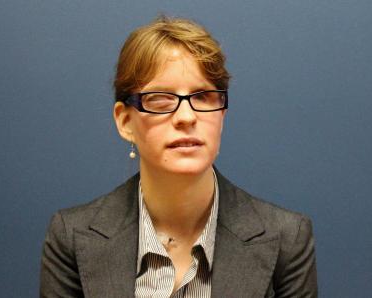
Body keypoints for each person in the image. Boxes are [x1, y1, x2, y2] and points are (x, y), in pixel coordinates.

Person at [40, 16, 317, 297]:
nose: (186, 116)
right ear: (125, 122)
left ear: (222, 115)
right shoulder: (72, 237)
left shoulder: (287, 238)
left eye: (203, 96)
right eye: (160, 99)